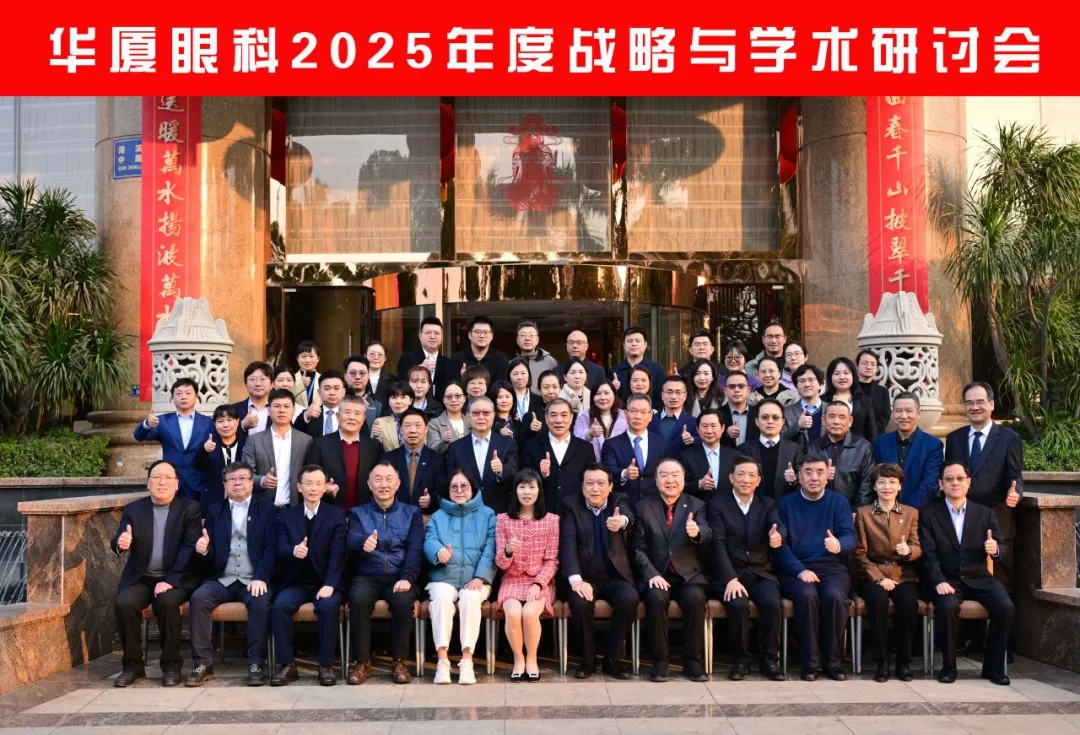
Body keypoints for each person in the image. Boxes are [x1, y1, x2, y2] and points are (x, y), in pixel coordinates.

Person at [185, 461, 278, 687]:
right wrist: (204, 550)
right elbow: (209, 553)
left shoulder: (267, 509)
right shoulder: (214, 510)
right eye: (232, 479)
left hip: (253, 578)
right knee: (198, 598)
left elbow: (271, 549)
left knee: (260, 600)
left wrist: (261, 577)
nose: (237, 483)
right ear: (225, 484)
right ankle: (202, 663)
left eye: (243, 478)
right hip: (222, 578)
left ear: (252, 483)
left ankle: (256, 663)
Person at [111, 460, 202, 687]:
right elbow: (120, 537)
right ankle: (132, 667)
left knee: (166, 603)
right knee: (124, 604)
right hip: (142, 577)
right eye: (157, 477)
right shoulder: (134, 510)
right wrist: (121, 543)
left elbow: (189, 548)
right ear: (148, 483)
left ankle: (171, 666)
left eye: (168, 477)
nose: (162, 482)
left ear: (177, 484)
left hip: (178, 578)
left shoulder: (190, 509)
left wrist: (170, 580)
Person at [921, 461, 1013, 686]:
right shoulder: (929, 513)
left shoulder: (985, 513)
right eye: (949, 479)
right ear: (941, 484)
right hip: (947, 579)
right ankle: (948, 667)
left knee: (1005, 606)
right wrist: (938, 581)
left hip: (978, 577)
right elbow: (928, 555)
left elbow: (1001, 545)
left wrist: (995, 549)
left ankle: (993, 668)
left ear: (968, 482)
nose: (955, 483)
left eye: (960, 478)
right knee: (947, 606)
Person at [775, 454, 858, 681]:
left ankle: (833, 662)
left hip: (832, 568)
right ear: (799, 476)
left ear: (827, 475)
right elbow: (780, 545)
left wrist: (838, 544)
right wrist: (800, 570)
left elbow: (850, 536)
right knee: (807, 596)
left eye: (820, 472)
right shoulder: (786, 504)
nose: (814, 478)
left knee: (834, 596)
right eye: (808, 472)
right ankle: (810, 663)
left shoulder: (838, 502)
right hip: (798, 568)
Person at [632, 458, 712, 682]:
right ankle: (660, 662)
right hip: (656, 574)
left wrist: (697, 532)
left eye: (675, 475)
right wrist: (652, 574)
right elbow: (637, 548)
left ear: (684, 479)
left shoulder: (696, 505)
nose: (670, 480)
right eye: (664, 475)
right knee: (656, 598)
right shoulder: (642, 507)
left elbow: (708, 533)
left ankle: (693, 662)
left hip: (688, 575)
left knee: (695, 598)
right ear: (656, 480)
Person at [707, 455, 786, 681]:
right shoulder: (717, 505)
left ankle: (769, 659)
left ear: (759, 480)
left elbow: (778, 525)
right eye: (740, 474)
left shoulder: (768, 504)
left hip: (761, 572)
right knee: (738, 603)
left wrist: (778, 535)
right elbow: (717, 543)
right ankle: (740, 660)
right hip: (731, 573)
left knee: (772, 602)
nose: (746, 479)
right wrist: (730, 578)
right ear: (731, 478)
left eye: (752, 475)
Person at [346, 462, 424, 685]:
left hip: (399, 576)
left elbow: (415, 548)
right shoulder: (357, 513)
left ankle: (400, 661)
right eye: (378, 479)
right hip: (367, 574)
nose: (384, 484)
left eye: (389, 479)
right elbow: (350, 536)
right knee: (358, 599)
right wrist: (363, 541)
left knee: (403, 601)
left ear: (398, 484)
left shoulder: (412, 513)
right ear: (369, 484)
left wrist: (407, 577)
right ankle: (362, 662)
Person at [270, 464, 347, 687]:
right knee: (279, 606)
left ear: (325, 487)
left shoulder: (336, 515)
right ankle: (287, 665)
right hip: (296, 582)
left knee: (328, 606)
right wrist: (293, 550)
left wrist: (330, 584)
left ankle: (326, 665)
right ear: (299, 487)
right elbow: (279, 548)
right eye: (308, 484)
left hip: (325, 582)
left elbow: (338, 554)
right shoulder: (287, 515)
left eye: (318, 484)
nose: (313, 488)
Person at [560, 463, 637, 680]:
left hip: (614, 577)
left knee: (629, 598)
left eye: (601, 483)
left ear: (610, 486)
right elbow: (567, 542)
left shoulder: (618, 500)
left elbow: (628, 515)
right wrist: (576, 580)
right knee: (579, 602)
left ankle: (613, 660)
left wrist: (622, 521)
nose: (595, 488)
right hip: (584, 578)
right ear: (582, 487)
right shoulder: (570, 505)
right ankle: (588, 660)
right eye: (590, 483)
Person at [944, 381, 1024, 585]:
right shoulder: (954, 438)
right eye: (969, 403)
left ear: (992, 404)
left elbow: (1015, 475)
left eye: (980, 402)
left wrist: (1015, 493)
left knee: (1000, 578)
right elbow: (950, 473)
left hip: (997, 514)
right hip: (962, 515)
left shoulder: (1009, 438)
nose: (975, 407)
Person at [423, 468, 498, 685]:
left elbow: (491, 548)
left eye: (464, 486)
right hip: (444, 576)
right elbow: (429, 540)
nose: (459, 491)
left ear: (472, 488)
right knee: (441, 600)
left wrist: (481, 577)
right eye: (454, 487)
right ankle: (442, 661)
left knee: (470, 598)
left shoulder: (488, 515)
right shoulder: (438, 516)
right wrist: (438, 551)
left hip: (475, 578)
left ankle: (467, 661)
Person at [853, 462, 921, 683]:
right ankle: (881, 662)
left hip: (903, 573)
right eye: (881, 482)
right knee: (878, 602)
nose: (887, 487)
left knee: (908, 603)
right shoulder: (863, 514)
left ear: (900, 486)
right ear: (874, 486)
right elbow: (859, 553)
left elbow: (917, 546)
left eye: (892, 482)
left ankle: (904, 662)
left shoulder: (911, 513)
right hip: (872, 573)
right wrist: (879, 578)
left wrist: (908, 551)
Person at [495, 469, 561, 681]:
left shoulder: (551, 521)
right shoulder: (503, 520)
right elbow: (500, 562)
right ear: (515, 491)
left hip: (540, 581)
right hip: (512, 579)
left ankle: (532, 658)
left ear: (539, 491)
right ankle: (518, 658)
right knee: (513, 612)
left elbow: (552, 561)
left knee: (530, 612)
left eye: (532, 487)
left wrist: (538, 584)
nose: (527, 492)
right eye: (522, 487)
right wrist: (507, 551)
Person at [133, 378, 214, 503]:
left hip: (197, 483)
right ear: (172, 397)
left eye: (188, 393)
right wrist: (147, 424)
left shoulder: (208, 422)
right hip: (170, 483)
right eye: (179, 393)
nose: (183, 397)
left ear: (196, 397)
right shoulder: (162, 421)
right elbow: (138, 436)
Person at [304, 393, 382, 510]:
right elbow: (308, 476)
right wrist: (324, 488)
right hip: (329, 510)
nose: (352, 417)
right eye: (347, 412)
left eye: (357, 413)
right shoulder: (320, 444)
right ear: (337, 416)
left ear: (363, 419)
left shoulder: (374, 446)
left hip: (365, 512)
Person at [445, 395, 519, 514]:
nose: (481, 417)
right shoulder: (455, 448)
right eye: (475, 413)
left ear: (494, 415)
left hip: (499, 512)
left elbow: (514, 473)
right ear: (467, 416)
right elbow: (449, 482)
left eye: (486, 413)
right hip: (466, 512)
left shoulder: (507, 444)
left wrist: (501, 471)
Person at [242, 389, 313, 509]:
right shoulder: (254, 440)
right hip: (263, 508)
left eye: (286, 406)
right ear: (269, 410)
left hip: (294, 507)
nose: (282, 410)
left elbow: (310, 473)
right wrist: (262, 481)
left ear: (293, 411)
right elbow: (245, 474)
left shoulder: (305, 440)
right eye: (277, 406)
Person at [872, 392, 943, 509]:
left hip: (920, 511)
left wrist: (906, 511)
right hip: (885, 510)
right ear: (893, 413)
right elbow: (875, 479)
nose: (904, 416)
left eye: (909, 411)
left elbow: (930, 484)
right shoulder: (880, 442)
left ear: (918, 414)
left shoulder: (933, 445)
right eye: (898, 411)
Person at [523, 398, 593, 512]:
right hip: (542, 512)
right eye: (553, 415)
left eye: (564, 415)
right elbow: (525, 480)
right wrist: (543, 475)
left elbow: (590, 481)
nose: (559, 420)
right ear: (546, 418)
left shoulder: (586, 448)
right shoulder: (532, 446)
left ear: (571, 417)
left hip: (576, 513)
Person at [806, 401, 875, 512]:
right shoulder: (812, 447)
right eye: (831, 417)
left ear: (850, 421)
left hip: (851, 512)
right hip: (817, 510)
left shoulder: (863, 447)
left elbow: (866, 486)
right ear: (823, 420)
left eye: (842, 417)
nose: (836, 422)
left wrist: (856, 511)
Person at [602, 393, 667, 504]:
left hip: (655, 504)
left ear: (651, 416)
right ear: (625, 414)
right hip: (624, 503)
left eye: (643, 412)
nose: (638, 416)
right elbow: (607, 471)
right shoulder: (611, 444)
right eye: (633, 411)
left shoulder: (662, 443)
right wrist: (624, 473)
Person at [383, 408, 447, 514]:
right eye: (407, 425)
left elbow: (442, 489)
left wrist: (431, 500)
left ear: (426, 429)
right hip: (394, 517)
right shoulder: (388, 459)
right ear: (400, 429)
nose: (413, 430)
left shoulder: (437, 459)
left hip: (425, 518)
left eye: (418, 425)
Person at [740, 399, 800, 501]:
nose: (770, 422)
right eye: (765, 417)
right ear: (756, 421)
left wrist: (794, 479)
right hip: (754, 505)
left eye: (775, 417)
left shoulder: (795, 449)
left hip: (785, 505)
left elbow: (803, 479)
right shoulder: (744, 449)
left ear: (783, 422)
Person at [193, 403, 247, 511]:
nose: (225, 425)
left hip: (242, 500)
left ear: (237, 421)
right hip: (213, 501)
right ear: (214, 424)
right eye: (220, 421)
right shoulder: (209, 443)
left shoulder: (247, 443)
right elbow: (196, 466)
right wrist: (204, 450)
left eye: (230, 420)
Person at [682, 408, 741, 500]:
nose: (709, 431)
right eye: (705, 426)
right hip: (699, 506)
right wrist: (699, 484)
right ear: (697, 429)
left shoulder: (735, 456)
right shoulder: (687, 456)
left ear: (722, 428)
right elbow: (681, 485)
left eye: (713, 426)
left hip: (729, 506)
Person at [397, 316, 454, 400]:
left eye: (437, 333)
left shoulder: (448, 363)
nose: (432, 336)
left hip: (440, 406)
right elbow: (401, 384)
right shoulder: (407, 358)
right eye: (428, 333)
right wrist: (421, 368)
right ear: (420, 336)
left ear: (442, 337)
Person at [822, 357, 878, 441]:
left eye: (846, 373)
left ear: (853, 376)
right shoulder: (822, 400)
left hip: (859, 447)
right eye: (837, 373)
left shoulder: (864, 401)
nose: (842, 377)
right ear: (830, 377)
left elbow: (871, 431)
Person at [573, 380, 628, 461]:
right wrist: (589, 434)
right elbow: (575, 441)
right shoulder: (584, 416)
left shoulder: (625, 416)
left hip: (619, 465)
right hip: (592, 465)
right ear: (592, 397)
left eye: (606, 393)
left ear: (614, 395)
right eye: (598, 393)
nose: (602, 397)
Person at [610, 326, 665, 403]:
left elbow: (662, 398)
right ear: (624, 345)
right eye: (630, 341)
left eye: (638, 341)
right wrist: (612, 389)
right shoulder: (615, 371)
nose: (634, 344)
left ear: (645, 344)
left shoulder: (657, 370)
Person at [648, 375, 699, 458]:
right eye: (669, 392)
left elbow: (703, 443)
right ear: (662, 395)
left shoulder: (694, 422)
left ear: (685, 396)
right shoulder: (650, 420)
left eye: (678, 392)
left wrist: (692, 440)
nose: (673, 397)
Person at [452, 315, 509, 384]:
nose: (482, 336)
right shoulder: (457, 358)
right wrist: (464, 379)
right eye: (477, 332)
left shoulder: (500, 358)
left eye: (486, 332)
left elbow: (501, 386)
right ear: (470, 335)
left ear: (491, 336)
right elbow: (453, 385)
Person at [293, 369, 348, 440]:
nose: (332, 393)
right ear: (319, 392)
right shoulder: (309, 414)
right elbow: (294, 434)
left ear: (343, 392)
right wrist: (305, 416)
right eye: (327, 388)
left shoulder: (351, 415)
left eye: (336, 388)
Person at [783, 364, 826, 444]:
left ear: (821, 384)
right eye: (802, 381)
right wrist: (798, 426)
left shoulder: (831, 409)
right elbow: (781, 441)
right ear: (796, 387)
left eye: (811, 380)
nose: (807, 384)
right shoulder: (786, 412)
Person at [514, 320, 559, 392]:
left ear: (537, 340)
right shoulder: (511, 363)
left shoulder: (549, 361)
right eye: (523, 335)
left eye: (531, 335)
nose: (527, 339)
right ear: (517, 340)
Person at [426, 381, 470, 454]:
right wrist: (443, 442)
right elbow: (432, 450)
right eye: (449, 397)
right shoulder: (434, 424)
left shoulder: (470, 423)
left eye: (458, 396)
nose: (453, 400)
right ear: (443, 400)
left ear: (464, 398)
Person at [719, 371, 759, 449]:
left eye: (741, 386)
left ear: (748, 390)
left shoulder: (758, 414)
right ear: (725, 391)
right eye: (732, 386)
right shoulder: (716, 415)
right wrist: (726, 432)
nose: (737, 390)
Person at [232, 361, 274, 436]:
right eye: (252, 379)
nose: (258, 383)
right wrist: (242, 426)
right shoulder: (233, 410)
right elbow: (223, 436)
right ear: (246, 384)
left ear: (272, 384)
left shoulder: (278, 410)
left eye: (262, 379)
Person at [371, 382, 415, 452]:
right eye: (394, 397)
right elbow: (373, 451)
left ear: (410, 401)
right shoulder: (380, 423)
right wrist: (376, 438)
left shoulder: (418, 421)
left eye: (403, 397)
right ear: (388, 401)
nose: (398, 401)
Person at [856, 350, 891, 435]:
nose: (869, 367)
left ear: (877, 368)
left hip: (876, 436)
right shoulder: (850, 388)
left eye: (872, 364)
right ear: (857, 366)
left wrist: (873, 432)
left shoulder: (883, 391)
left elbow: (885, 416)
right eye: (865, 363)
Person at [508, 357, 545, 437]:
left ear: (529, 375)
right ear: (509, 376)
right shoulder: (504, 400)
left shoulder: (539, 400)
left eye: (523, 373)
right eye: (515, 374)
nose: (519, 377)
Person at [343, 355, 382, 429]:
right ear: (345, 376)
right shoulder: (337, 400)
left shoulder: (378, 403)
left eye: (362, 373)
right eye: (353, 373)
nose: (357, 377)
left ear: (368, 376)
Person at [292, 340, 322, 410]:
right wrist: (300, 385)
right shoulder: (290, 379)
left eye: (311, 356)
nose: (307, 360)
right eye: (304, 356)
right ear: (297, 359)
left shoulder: (324, 379)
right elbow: (285, 398)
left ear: (318, 359)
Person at [365, 341, 392, 406]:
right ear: (365, 356)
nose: (376, 357)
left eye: (380, 354)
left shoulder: (393, 381)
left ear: (385, 358)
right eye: (372, 354)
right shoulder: (358, 379)